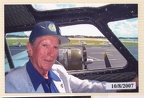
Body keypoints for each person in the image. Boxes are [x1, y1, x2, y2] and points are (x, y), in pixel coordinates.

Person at [5, 21, 138, 93]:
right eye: (45, 45)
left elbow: (91, 86)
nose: (51, 54)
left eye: (55, 47)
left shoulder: (58, 72)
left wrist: (129, 85)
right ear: (30, 48)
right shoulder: (12, 82)